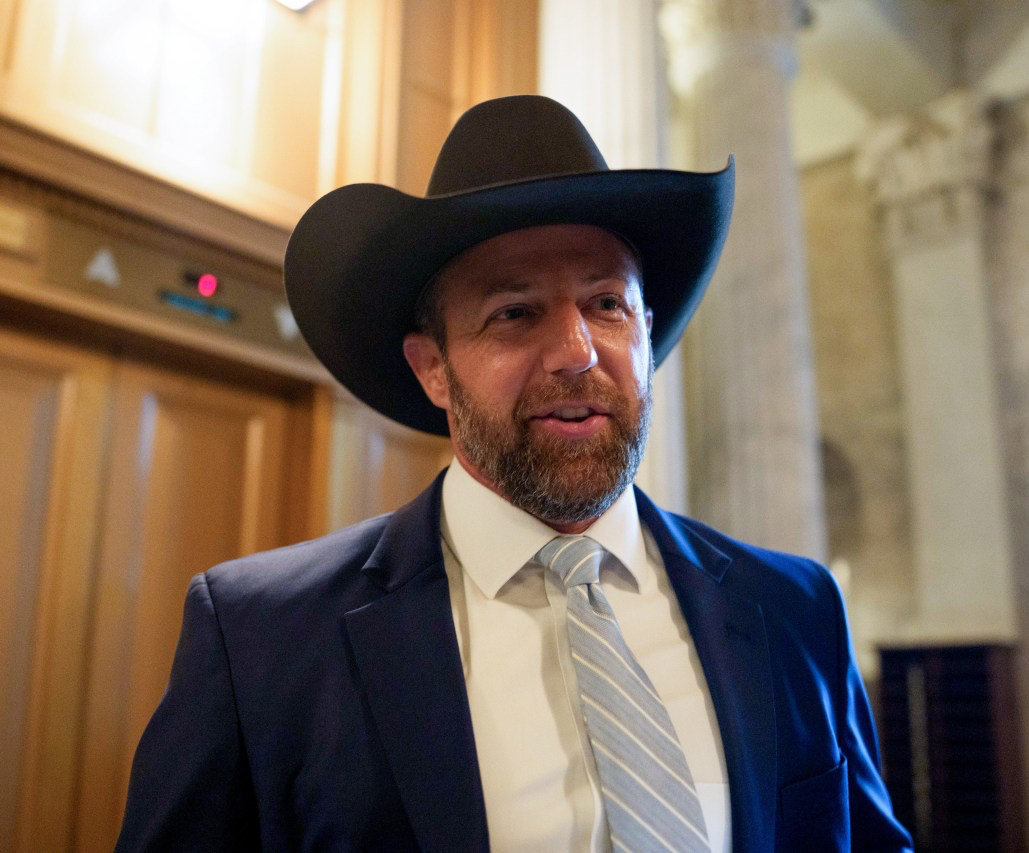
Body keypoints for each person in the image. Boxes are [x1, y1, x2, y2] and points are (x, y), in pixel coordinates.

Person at [116, 95, 912, 852]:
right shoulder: (263, 641)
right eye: (515, 312)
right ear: (433, 368)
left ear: (646, 332)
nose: (577, 351)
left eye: (607, 304)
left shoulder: (795, 612)